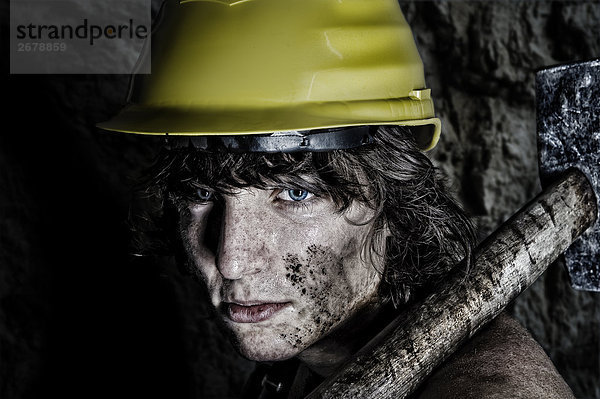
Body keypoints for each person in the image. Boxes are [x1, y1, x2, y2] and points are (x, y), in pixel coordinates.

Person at [100, 0, 574, 397]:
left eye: (295, 192)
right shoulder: (291, 373)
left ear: (393, 195)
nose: (232, 260)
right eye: (202, 193)